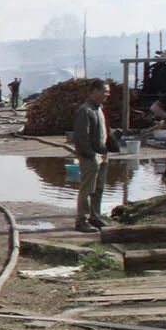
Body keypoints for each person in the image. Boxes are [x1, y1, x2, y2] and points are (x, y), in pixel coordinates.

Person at [71, 80, 112, 232]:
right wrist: (90, 155)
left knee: (99, 188)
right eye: (104, 91)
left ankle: (95, 216)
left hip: (102, 154)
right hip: (90, 157)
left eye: (108, 92)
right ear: (94, 91)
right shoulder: (85, 110)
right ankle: (81, 220)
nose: (107, 95)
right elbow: (81, 137)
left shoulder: (99, 109)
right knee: (87, 189)